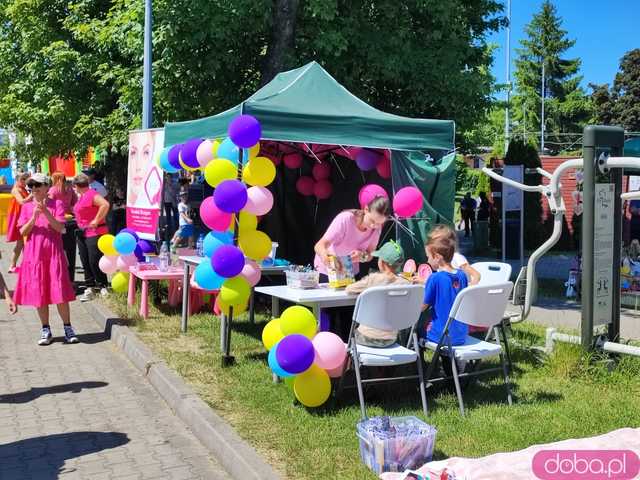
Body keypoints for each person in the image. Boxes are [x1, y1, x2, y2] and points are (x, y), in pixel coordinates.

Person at [13, 173, 78, 345]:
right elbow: (22, 232)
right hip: (34, 256)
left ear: (46, 187)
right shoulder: (26, 208)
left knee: (60, 292)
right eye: (31, 186)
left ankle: (68, 327)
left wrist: (46, 213)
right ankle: (45, 329)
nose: (33, 188)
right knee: (39, 292)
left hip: (53, 254)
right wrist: (34, 217)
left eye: (37, 185)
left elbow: (59, 228)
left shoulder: (57, 204)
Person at [345, 240, 410, 347]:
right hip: (391, 339)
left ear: (382, 262)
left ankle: (352, 363)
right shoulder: (405, 283)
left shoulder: (374, 279)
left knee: (351, 335)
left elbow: (349, 289)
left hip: (366, 337)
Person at [314, 196, 390, 278]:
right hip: (327, 272)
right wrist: (326, 257)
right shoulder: (346, 219)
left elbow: (370, 254)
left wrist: (362, 256)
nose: (373, 226)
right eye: (372, 220)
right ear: (366, 209)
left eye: (379, 223)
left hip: (350, 273)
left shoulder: (377, 229)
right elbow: (319, 245)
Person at [422, 228, 468, 346]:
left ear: (437, 257)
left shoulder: (435, 278)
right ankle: (449, 364)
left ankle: (423, 364)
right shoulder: (462, 275)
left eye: (428, 257)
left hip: (441, 336)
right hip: (461, 335)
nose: (427, 260)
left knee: (417, 331)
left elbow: (422, 307)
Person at [72, 173, 110, 302]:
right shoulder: (81, 196)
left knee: (95, 260)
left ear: (77, 186)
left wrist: (96, 220)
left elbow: (105, 205)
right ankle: (90, 287)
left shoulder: (91, 194)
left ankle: (103, 285)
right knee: (85, 260)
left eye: (74, 186)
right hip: (82, 232)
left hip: (94, 232)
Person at [49, 172, 77, 283]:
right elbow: (75, 202)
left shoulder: (53, 190)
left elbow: (49, 205)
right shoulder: (70, 189)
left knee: (58, 252)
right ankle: (71, 280)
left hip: (57, 222)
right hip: (70, 221)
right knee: (71, 251)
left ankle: (60, 279)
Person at [6, 172, 32, 273]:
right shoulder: (15, 190)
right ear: (17, 180)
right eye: (23, 179)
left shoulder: (23, 189)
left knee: (23, 243)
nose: (25, 181)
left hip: (24, 217)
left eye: (25, 178)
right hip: (18, 217)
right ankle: (12, 265)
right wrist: (31, 195)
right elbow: (21, 202)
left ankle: (23, 264)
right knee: (21, 243)